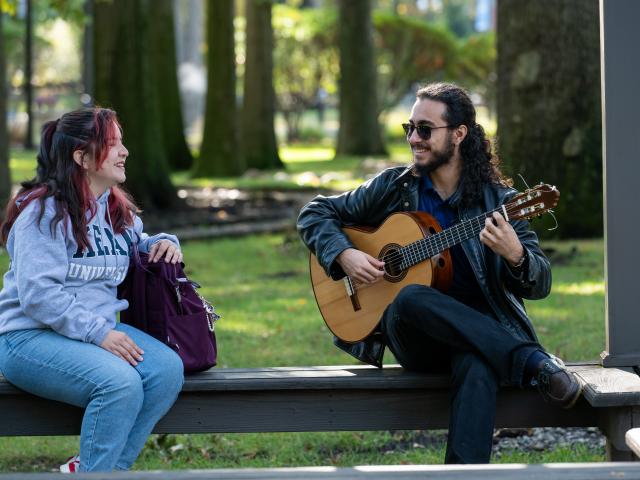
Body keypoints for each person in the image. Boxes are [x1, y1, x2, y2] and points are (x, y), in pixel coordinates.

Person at [297, 83, 582, 464]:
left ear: (459, 134)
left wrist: (516, 255)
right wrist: (345, 254)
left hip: (479, 338)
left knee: (478, 364)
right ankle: (532, 363)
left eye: (425, 130)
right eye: (409, 128)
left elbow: (540, 282)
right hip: (414, 334)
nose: (414, 138)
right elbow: (314, 213)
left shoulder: (501, 203)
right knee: (411, 296)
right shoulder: (394, 188)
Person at [0, 108, 184, 472]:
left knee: (166, 371)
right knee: (120, 384)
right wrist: (100, 333)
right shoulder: (43, 214)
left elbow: (134, 247)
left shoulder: (117, 211)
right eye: (112, 143)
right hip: (29, 338)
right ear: (81, 158)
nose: (124, 151)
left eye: (122, 142)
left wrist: (161, 244)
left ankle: (99, 471)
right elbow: (39, 296)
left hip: (91, 332)